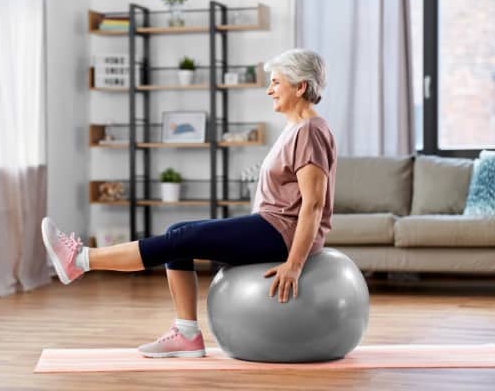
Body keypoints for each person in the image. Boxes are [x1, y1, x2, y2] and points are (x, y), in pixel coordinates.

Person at [41, 48, 336, 359]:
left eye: (276, 82)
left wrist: (294, 264)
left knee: (183, 238)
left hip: (281, 233)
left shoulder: (309, 132)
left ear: (300, 86)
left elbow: (313, 205)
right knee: (178, 230)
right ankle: (186, 333)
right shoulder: (297, 129)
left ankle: (81, 260)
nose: (269, 90)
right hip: (272, 225)